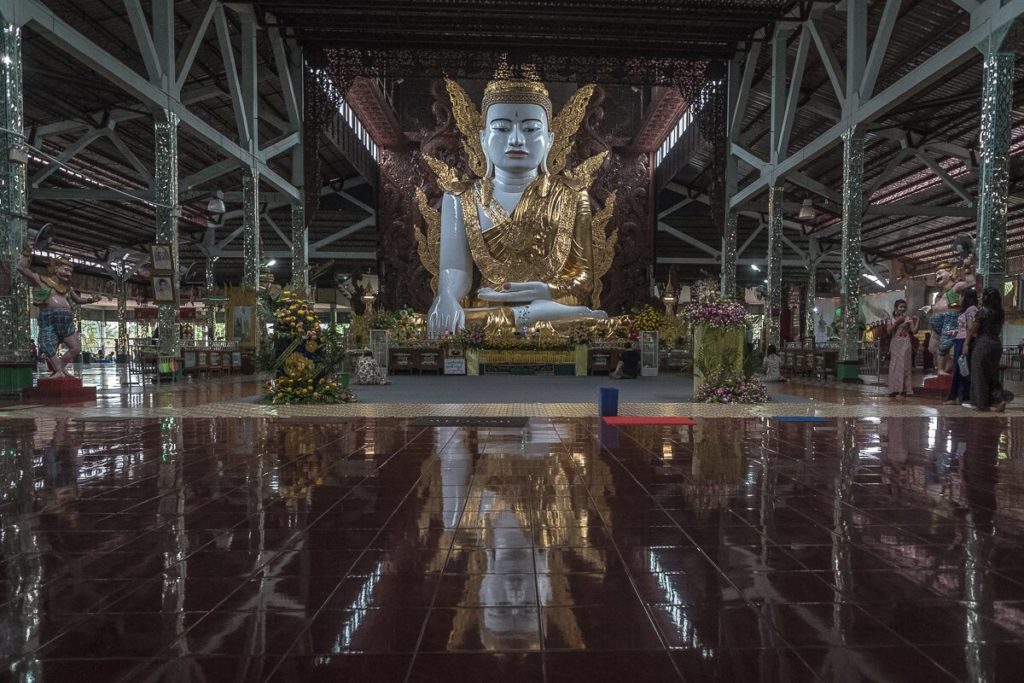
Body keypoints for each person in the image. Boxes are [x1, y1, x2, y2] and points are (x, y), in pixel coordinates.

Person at [426, 74, 610, 336]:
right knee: (440, 322)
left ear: (549, 139)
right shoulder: (459, 196)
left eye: (530, 128)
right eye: (501, 128)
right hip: (487, 309)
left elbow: (582, 281)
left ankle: (527, 316)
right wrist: (445, 297)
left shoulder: (572, 194)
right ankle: (524, 318)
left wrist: (542, 290)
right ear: (482, 139)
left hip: (552, 306)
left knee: (595, 325)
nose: (516, 139)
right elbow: (455, 269)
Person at [17, 241, 98, 378]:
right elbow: (22, 268)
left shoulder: (67, 288)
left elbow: (77, 300)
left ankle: (60, 368)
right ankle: (60, 371)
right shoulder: (40, 280)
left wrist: (91, 300)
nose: (69, 274)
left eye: (70, 271)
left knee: (75, 348)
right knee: (47, 344)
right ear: (55, 268)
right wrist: (26, 253)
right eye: (66, 270)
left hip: (66, 320)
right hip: (48, 317)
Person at [966, 286, 1011, 412]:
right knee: (992, 375)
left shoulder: (983, 311)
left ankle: (981, 404)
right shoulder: (1000, 313)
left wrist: (969, 323)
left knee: (979, 374)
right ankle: (998, 400)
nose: (980, 298)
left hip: (983, 344)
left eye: (981, 296)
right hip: (996, 344)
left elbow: (973, 329)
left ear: (986, 297)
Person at [945, 287, 978, 406]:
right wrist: (955, 332)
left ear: (966, 297)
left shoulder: (971, 309)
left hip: (964, 341)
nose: (959, 298)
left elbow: (971, 327)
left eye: (961, 296)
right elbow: (964, 327)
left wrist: (966, 343)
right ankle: (957, 396)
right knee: (958, 369)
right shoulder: (967, 310)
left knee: (963, 369)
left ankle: (963, 397)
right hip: (960, 339)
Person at [886, 299, 918, 397]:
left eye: (904, 307)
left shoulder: (908, 318)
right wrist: (897, 322)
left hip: (906, 344)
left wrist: (918, 321)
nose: (903, 309)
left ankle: (906, 389)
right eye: (901, 307)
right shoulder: (890, 318)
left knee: (906, 365)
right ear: (896, 308)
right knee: (894, 366)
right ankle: (894, 389)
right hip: (895, 344)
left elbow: (914, 331)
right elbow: (888, 331)